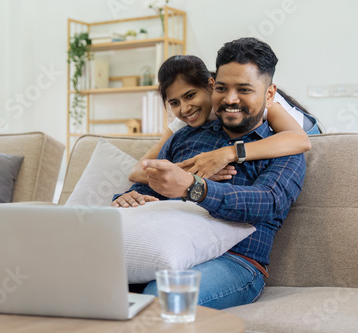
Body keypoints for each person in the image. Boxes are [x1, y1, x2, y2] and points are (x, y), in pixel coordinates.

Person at [112, 37, 306, 309]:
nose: (231, 99)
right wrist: (128, 198)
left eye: (244, 90)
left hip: (235, 261)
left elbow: (267, 202)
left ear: (269, 95)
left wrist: (195, 188)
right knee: (93, 283)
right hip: (165, 250)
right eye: (223, 88)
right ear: (213, 85)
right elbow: (152, 185)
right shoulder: (186, 137)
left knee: (162, 298)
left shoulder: (283, 147)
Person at [128, 56, 319, 185]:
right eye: (174, 102)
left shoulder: (247, 105)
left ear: (210, 86)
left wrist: (228, 153)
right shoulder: (183, 121)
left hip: (311, 137)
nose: (185, 108)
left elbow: (300, 140)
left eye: (191, 95)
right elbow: (137, 171)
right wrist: (184, 176)